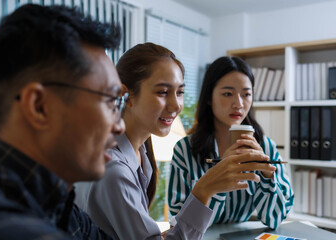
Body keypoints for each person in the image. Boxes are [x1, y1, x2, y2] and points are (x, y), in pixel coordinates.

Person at [74, 43, 277, 240]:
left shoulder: (138, 153)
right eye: (162, 92)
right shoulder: (114, 170)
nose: (175, 105)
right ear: (126, 95)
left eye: (179, 92)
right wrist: (204, 190)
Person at [0, 4, 126, 239]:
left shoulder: (64, 210)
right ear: (39, 106)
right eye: (110, 101)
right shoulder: (4, 228)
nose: (120, 126)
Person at [168, 56, 294, 230]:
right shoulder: (185, 150)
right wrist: (218, 180)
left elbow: (275, 219)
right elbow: (180, 223)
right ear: (209, 98)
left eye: (246, 94)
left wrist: (267, 176)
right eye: (228, 94)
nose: (239, 104)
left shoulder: (265, 147)